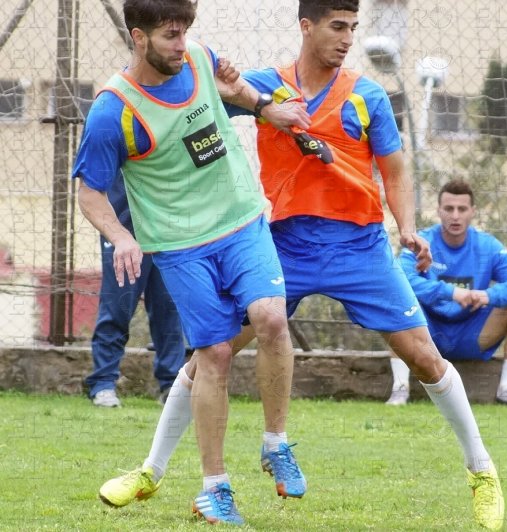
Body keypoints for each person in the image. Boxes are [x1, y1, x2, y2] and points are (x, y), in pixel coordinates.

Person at [95, 1, 505, 529]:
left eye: (353, 28)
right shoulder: (265, 86)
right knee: (211, 354)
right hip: (284, 245)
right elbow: (194, 96)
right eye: (338, 26)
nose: (348, 38)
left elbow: (395, 172)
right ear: (306, 27)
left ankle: (482, 470)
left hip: (359, 249)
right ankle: (151, 471)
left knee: (424, 357)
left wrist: (406, 227)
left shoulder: (368, 96)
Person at [75, 0, 312, 525]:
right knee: (216, 356)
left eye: (185, 32)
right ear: (138, 37)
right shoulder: (115, 110)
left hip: (241, 221)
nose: (181, 45)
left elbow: (233, 89)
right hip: (181, 246)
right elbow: (89, 192)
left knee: (272, 317)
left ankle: (276, 443)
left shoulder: (199, 57)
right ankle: (214, 489)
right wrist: (121, 236)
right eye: (169, 36)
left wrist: (266, 107)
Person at [386, 179, 507, 408]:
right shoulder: (422, 243)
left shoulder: (487, 246)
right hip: (427, 335)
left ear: (472, 212)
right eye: (449, 209)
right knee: (396, 301)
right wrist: (451, 292)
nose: (455, 216)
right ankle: (400, 391)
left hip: (473, 335)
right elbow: (401, 280)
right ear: (439, 211)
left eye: (462, 209)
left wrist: (488, 296)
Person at [85, 172, 186, 408]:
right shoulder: (109, 145)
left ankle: (171, 385)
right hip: (123, 225)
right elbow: (90, 186)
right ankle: (103, 383)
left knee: (168, 308)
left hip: (168, 228)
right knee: (117, 306)